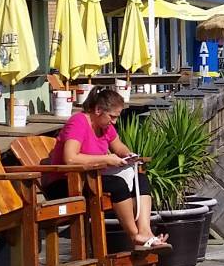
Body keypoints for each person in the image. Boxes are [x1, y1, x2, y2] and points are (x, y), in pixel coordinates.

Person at [54, 87, 167, 253]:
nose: (114, 121)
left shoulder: (105, 126)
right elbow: (70, 158)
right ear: (98, 110)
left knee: (141, 178)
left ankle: (145, 231)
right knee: (117, 184)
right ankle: (135, 235)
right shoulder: (79, 121)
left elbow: (118, 145)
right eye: (112, 116)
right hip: (67, 182)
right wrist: (107, 159)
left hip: (91, 177)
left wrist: (127, 155)